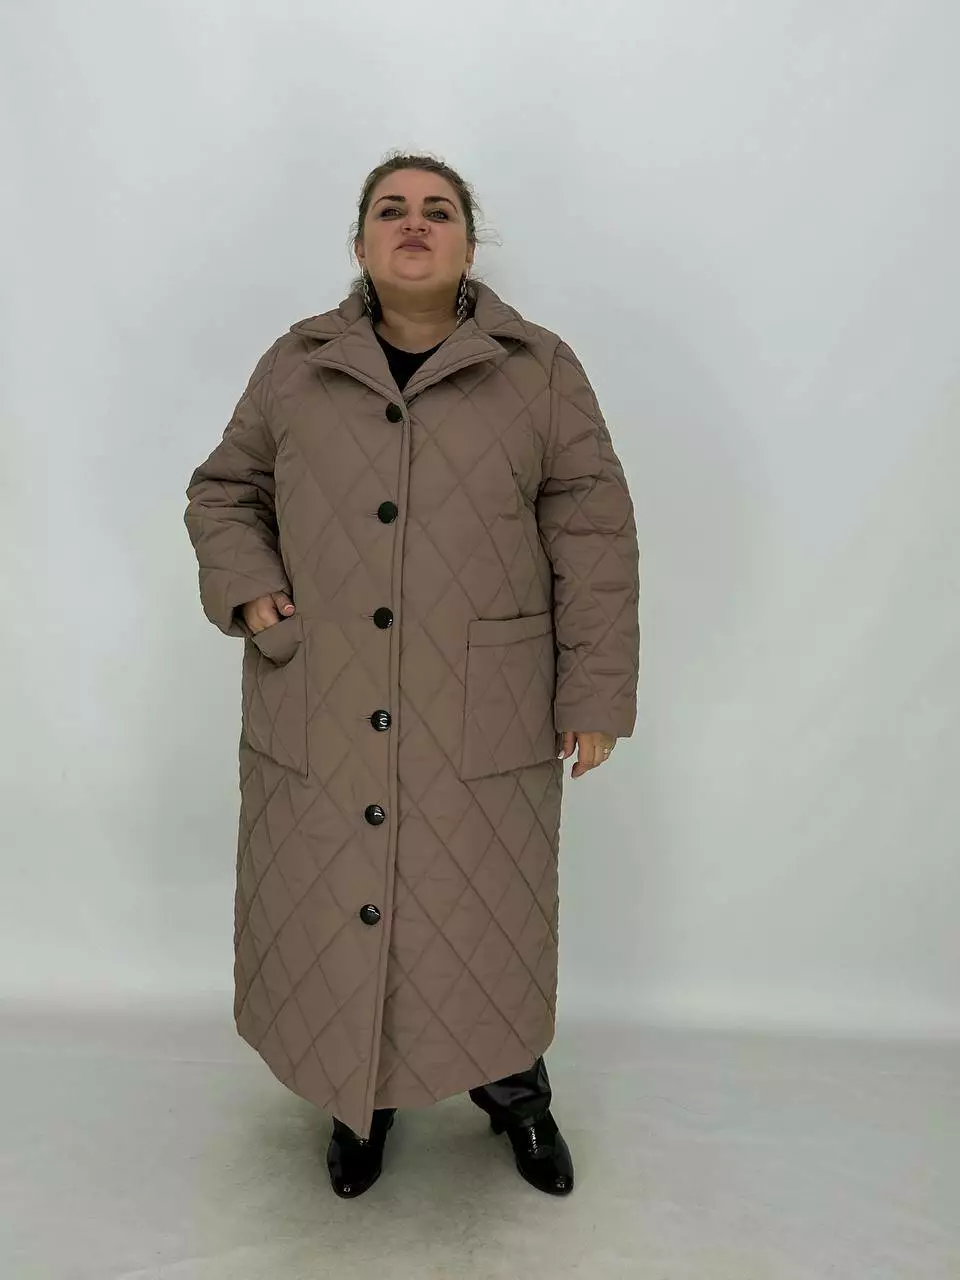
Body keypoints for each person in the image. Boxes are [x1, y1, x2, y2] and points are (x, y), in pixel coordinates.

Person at [184, 152, 640, 1200]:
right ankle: (360, 1101)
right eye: (391, 209)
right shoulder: (295, 364)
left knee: (479, 911)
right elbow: (225, 492)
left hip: (481, 705)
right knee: (337, 900)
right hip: (326, 695)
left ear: (470, 246)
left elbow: (594, 535)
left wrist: (594, 693)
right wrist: (251, 590)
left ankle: (515, 1090)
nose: (415, 223)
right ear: (360, 244)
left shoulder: (541, 369)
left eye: (439, 210)